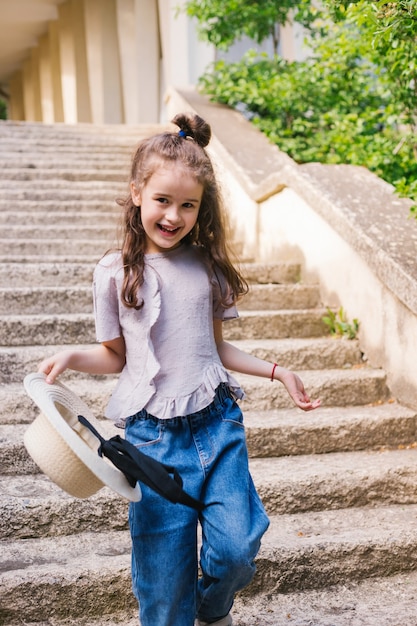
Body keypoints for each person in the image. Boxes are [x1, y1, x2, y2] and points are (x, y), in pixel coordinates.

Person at [38, 112, 321, 626]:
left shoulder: (207, 269)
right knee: (164, 593)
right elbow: (118, 357)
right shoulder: (113, 273)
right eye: (163, 201)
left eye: (187, 205)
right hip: (151, 443)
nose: (174, 216)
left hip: (217, 427)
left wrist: (278, 372)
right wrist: (73, 357)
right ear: (137, 194)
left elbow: (216, 350)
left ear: (200, 209)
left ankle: (211, 611)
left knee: (237, 547)